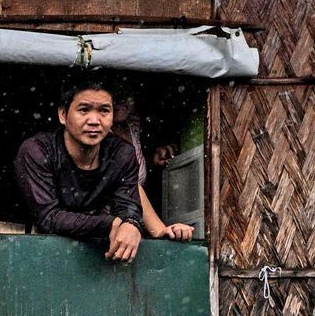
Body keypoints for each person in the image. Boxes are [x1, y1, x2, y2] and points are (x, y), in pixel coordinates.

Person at [13, 79, 183, 263]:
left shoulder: (122, 153)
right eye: (84, 110)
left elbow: (129, 206)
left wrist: (133, 224)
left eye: (104, 111)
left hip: (100, 257)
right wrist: (112, 224)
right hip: (36, 254)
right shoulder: (38, 150)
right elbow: (48, 217)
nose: (94, 121)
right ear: (63, 114)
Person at [112, 97, 196, 244]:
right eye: (115, 95)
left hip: (134, 220)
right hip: (110, 226)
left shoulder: (132, 123)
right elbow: (129, 184)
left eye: (125, 94)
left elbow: (132, 181)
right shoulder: (97, 135)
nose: (121, 102)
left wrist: (152, 162)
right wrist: (158, 229)